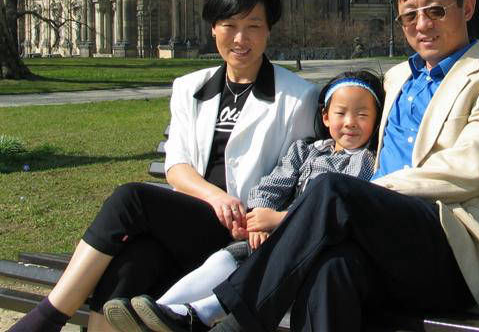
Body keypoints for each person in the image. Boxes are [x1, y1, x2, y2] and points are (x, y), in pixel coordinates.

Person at [211, 0, 479, 332]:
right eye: (409, 16)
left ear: (466, 8)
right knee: (331, 269)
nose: (422, 24)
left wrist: (372, 192)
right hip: (384, 246)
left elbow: (475, 169)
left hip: (456, 252)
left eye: (435, 11)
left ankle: (233, 322)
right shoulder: (396, 79)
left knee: (333, 190)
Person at [8, 0, 318, 332]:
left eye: (253, 26)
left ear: (268, 31)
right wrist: (217, 198)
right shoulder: (190, 87)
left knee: (130, 198)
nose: (240, 38)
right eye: (229, 25)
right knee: (130, 263)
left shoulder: (298, 97)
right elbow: (177, 166)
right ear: (213, 28)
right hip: (193, 221)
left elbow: (298, 176)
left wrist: (254, 215)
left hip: (243, 235)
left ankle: (46, 318)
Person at [104, 70, 386, 332]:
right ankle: (161, 310)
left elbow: (339, 210)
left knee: (248, 262)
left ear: (376, 121)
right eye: (341, 113)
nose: (350, 122)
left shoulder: (366, 161)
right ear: (325, 117)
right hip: (272, 238)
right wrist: (259, 215)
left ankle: (193, 314)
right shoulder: (306, 150)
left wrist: (278, 220)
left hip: (311, 249)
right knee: (227, 257)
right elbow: (273, 184)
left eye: (362, 115)